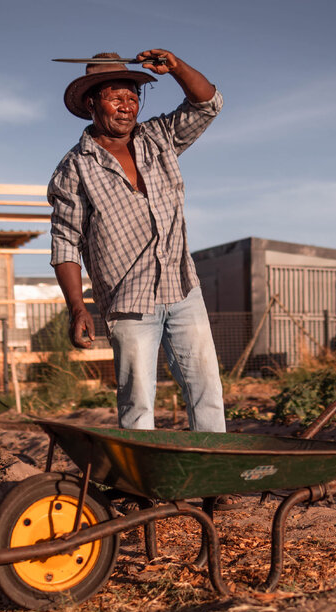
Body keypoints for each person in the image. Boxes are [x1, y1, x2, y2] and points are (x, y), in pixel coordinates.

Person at [48, 49, 226, 433]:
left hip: (182, 288)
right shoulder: (74, 168)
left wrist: (176, 66)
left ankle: (214, 486)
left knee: (206, 391)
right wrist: (78, 308)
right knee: (137, 401)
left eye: (133, 97)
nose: (127, 106)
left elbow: (208, 103)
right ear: (92, 102)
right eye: (117, 97)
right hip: (128, 301)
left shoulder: (159, 137)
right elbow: (65, 242)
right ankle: (142, 489)